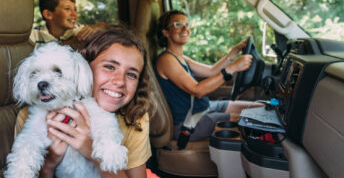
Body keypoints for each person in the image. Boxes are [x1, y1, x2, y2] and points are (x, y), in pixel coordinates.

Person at [15, 26, 155, 178]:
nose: (119, 81)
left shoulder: (135, 118)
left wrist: (91, 151)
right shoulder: (30, 115)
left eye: (132, 74)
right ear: (88, 67)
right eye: (109, 67)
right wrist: (49, 163)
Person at [155, 10, 263, 141]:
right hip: (189, 123)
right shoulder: (166, 59)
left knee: (258, 108)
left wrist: (232, 54)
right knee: (249, 119)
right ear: (165, 32)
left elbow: (212, 71)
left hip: (203, 108)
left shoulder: (181, 58)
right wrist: (233, 67)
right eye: (178, 24)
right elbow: (197, 90)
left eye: (187, 24)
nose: (185, 28)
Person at [30, 0, 107, 47]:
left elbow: (106, 27)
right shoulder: (33, 36)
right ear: (48, 14)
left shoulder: (78, 31)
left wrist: (96, 27)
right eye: (67, 9)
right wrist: (72, 42)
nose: (75, 14)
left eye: (75, 10)